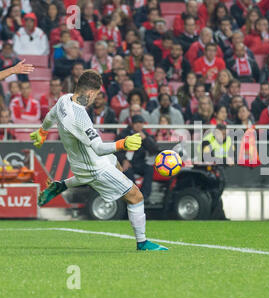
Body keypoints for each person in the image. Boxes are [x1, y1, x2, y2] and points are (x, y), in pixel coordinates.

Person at [30, 70, 168, 251]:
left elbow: (51, 115)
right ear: (90, 93)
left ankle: (63, 184)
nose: (95, 98)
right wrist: (123, 143)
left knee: (115, 164)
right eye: (96, 94)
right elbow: (99, 148)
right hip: (94, 167)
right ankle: (142, 243)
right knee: (136, 196)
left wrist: (42, 131)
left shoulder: (65, 99)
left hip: (80, 163)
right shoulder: (80, 117)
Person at [116, 114, 160, 203]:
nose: (138, 125)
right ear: (132, 124)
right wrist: (124, 160)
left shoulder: (145, 134)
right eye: (136, 123)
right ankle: (134, 196)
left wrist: (145, 139)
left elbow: (154, 149)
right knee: (127, 171)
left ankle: (144, 196)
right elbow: (116, 150)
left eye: (141, 123)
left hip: (139, 162)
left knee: (149, 169)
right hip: (127, 163)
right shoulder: (124, 134)